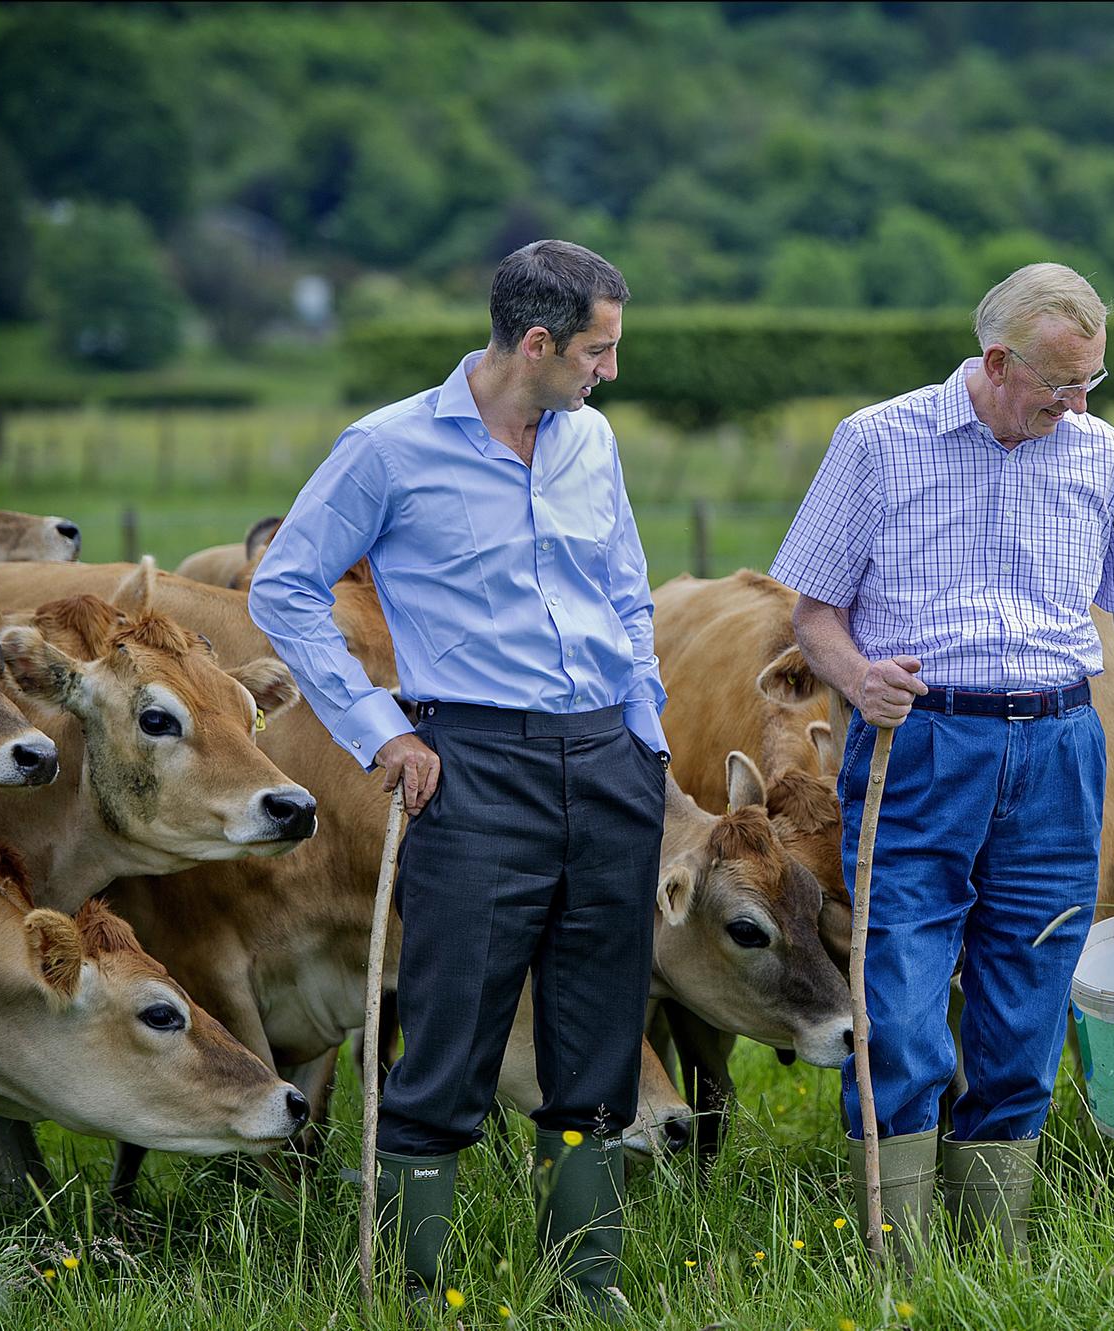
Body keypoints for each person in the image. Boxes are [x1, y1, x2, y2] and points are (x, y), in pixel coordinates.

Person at [249, 240, 667, 1319]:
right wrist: (381, 730)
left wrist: (645, 732)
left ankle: (588, 1286)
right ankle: (413, 1291)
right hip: (472, 767)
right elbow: (284, 587)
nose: (609, 371)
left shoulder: (593, 441)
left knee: (598, 1038)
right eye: (597, 350)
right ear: (537, 343)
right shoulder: (386, 449)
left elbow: (626, 589)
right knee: (448, 1035)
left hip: (608, 767)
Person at [768, 262, 1114, 1257]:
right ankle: (896, 1267)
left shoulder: (1101, 456)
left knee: (1027, 1004)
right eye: (1057, 385)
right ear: (995, 360)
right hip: (918, 746)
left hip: (1058, 748)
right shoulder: (876, 441)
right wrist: (858, 676)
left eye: (1090, 382)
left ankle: (989, 1262)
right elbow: (812, 613)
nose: (1075, 404)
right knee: (903, 1006)